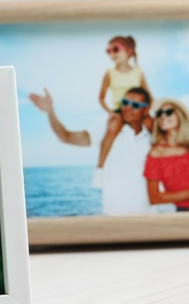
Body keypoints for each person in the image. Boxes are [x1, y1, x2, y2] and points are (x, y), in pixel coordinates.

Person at [29, 86, 154, 215]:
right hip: (114, 220)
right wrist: (50, 112)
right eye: (125, 103)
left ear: (146, 109)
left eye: (135, 105)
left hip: (149, 219)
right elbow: (65, 136)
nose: (128, 108)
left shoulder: (155, 136)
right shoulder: (106, 131)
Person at [96, 36, 153, 185]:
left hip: (139, 108)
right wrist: (111, 113)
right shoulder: (110, 73)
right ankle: (100, 169)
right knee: (112, 129)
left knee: (153, 126)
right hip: (120, 110)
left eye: (115, 49)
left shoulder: (138, 72)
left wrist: (147, 112)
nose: (111, 54)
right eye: (108, 51)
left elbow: (148, 95)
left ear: (128, 51)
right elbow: (101, 98)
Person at [143, 99, 189, 211]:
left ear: (180, 115)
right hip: (181, 213)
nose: (163, 116)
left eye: (168, 112)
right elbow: (154, 198)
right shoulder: (156, 153)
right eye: (159, 114)